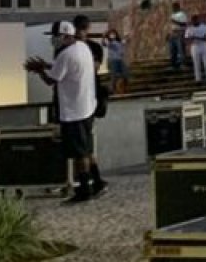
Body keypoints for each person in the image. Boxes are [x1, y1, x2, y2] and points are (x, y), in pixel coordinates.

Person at [25, 21, 107, 204]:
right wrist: (47, 65)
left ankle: (85, 190)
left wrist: (39, 70)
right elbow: (61, 69)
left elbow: (52, 80)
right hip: (87, 106)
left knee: (79, 153)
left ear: (65, 36)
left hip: (74, 110)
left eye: (56, 37)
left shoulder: (66, 54)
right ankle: (98, 182)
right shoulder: (82, 47)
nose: (53, 40)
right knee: (86, 148)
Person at [186, 14, 206, 84]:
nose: (195, 21)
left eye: (196, 20)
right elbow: (187, 39)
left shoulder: (204, 27)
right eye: (193, 20)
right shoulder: (189, 29)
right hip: (195, 46)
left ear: (198, 20)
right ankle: (198, 79)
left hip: (204, 46)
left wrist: (196, 37)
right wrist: (194, 38)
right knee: (196, 63)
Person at [105, 29, 129, 96]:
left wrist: (127, 37)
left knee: (125, 73)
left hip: (120, 60)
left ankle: (123, 88)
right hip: (113, 61)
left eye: (113, 34)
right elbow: (104, 43)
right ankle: (112, 90)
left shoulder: (119, 42)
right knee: (113, 76)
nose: (112, 35)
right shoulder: (109, 43)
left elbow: (124, 42)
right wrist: (104, 37)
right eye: (111, 34)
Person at [167, 2, 187, 71]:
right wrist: (169, 33)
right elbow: (171, 26)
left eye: (174, 7)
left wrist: (174, 21)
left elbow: (184, 24)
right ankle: (173, 65)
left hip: (179, 33)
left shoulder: (182, 14)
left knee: (180, 50)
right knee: (172, 50)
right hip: (172, 34)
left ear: (177, 7)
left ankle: (182, 64)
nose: (173, 8)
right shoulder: (172, 15)